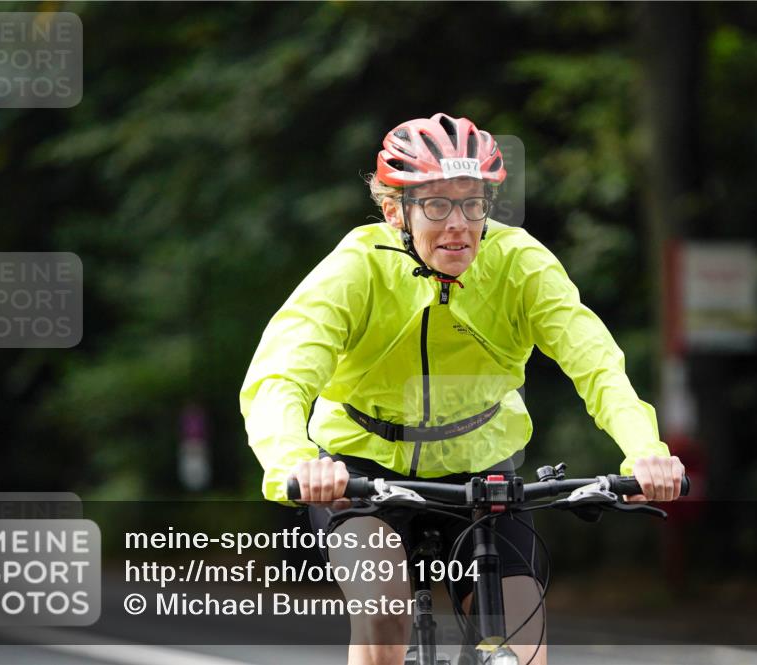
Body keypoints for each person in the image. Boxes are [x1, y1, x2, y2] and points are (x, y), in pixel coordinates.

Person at [240, 112, 685, 665]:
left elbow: (596, 365)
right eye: (436, 205)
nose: (458, 224)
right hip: (359, 471)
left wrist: (646, 452)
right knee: (383, 612)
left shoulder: (519, 264)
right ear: (393, 211)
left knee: (524, 647)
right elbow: (280, 374)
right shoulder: (356, 269)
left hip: (483, 469)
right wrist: (298, 459)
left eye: (472, 203)